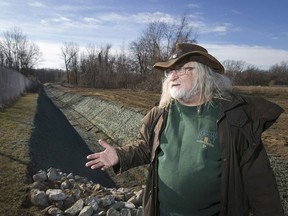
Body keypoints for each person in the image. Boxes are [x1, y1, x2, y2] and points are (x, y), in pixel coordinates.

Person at [85, 43, 285, 216]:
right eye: (169, 71)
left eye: (182, 69)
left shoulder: (234, 119)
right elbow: (146, 147)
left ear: (204, 74)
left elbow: (261, 186)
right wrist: (119, 156)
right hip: (162, 211)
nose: (172, 75)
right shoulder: (160, 114)